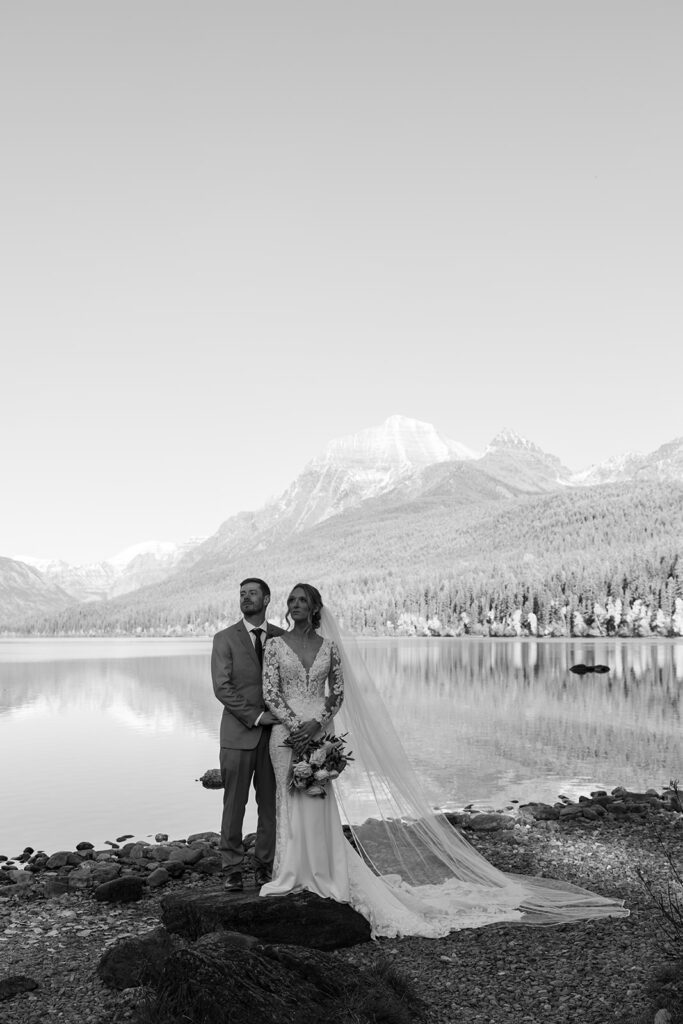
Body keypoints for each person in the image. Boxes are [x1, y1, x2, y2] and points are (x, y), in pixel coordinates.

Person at [260, 583, 629, 938]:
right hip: (286, 735)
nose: (294, 605)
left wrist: (317, 724)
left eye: (302, 600)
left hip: (320, 732)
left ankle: (323, 872)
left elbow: (337, 694)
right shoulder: (276, 645)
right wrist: (296, 725)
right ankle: (292, 872)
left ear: (315, 608)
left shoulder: (330, 648)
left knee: (318, 800)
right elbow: (270, 692)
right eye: (291, 600)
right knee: (289, 799)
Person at [211, 577, 284, 892]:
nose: (246, 598)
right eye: (242, 594)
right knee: (234, 805)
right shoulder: (224, 638)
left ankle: (265, 867)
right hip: (238, 735)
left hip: (275, 739)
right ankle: (232, 869)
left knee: (270, 805)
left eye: (252, 593)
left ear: (266, 599)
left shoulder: (283, 638)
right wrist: (257, 716)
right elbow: (222, 688)